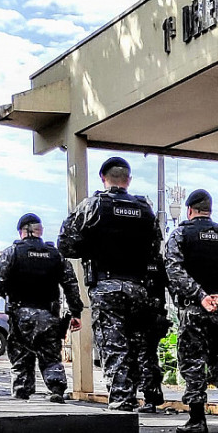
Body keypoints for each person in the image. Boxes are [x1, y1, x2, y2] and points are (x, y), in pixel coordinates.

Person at [58, 156, 163, 411]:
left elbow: (66, 244)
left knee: (114, 344)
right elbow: (155, 246)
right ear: (128, 180)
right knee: (140, 343)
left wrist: (92, 246)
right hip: (139, 287)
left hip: (107, 286)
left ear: (103, 178)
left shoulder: (92, 205)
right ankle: (149, 398)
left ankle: (122, 400)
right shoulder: (145, 208)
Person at [164, 189, 218, 433]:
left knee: (192, 362)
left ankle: (197, 419)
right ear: (209, 210)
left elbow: (174, 270)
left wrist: (200, 296)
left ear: (189, 210)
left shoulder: (180, 234)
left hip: (194, 309)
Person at [0, 213, 83, 403]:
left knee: (21, 360)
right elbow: (71, 284)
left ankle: (21, 395)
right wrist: (76, 312)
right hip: (48, 316)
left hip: (21, 316)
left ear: (23, 231)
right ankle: (56, 390)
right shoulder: (55, 255)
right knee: (51, 357)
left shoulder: (12, 252)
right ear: (39, 231)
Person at [134, 256, 172, 413]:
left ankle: (150, 397)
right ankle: (153, 395)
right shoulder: (158, 261)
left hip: (140, 317)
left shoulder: (134, 260)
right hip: (155, 316)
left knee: (143, 357)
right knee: (149, 356)